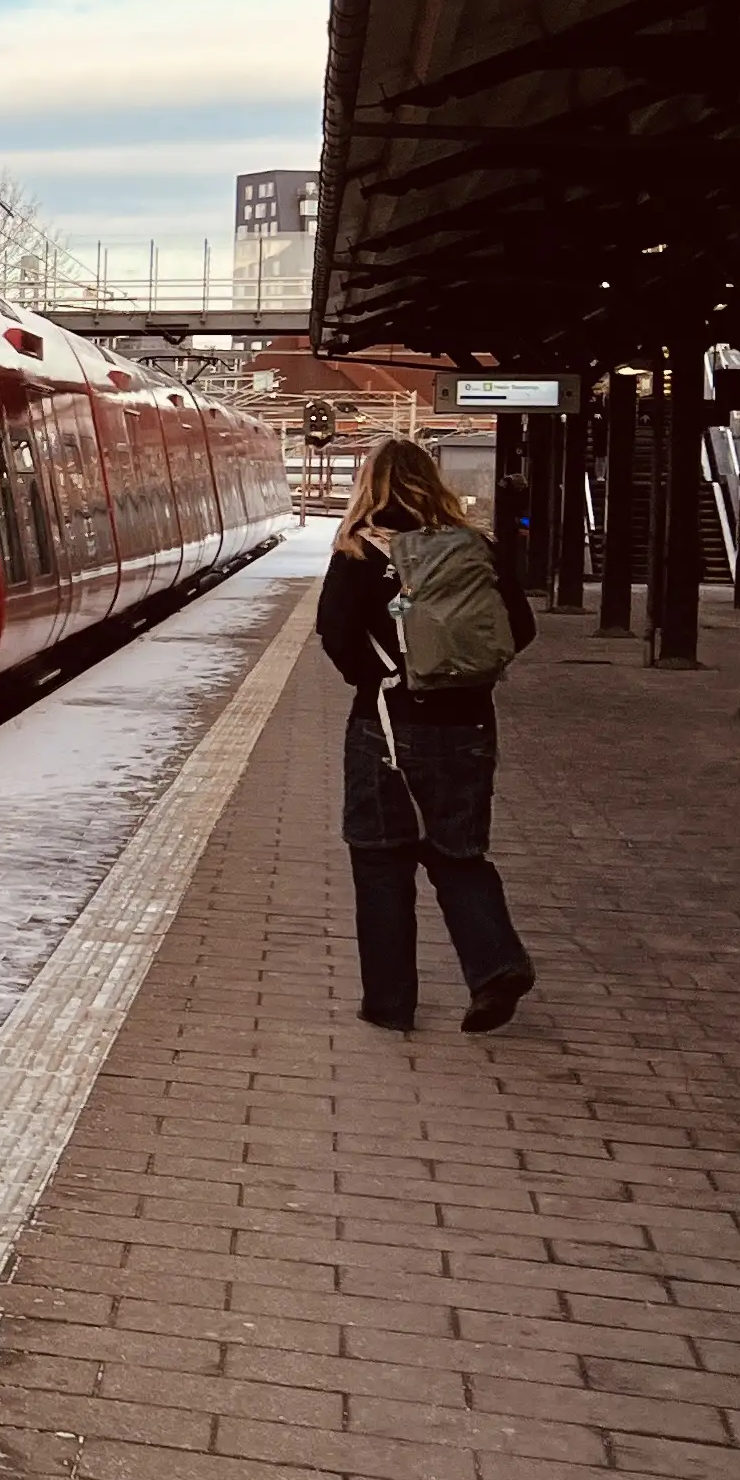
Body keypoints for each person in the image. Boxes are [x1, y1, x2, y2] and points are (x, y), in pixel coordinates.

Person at [317, 437, 537, 1033]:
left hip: (387, 727)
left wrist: (384, 679)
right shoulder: (476, 546)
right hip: (468, 725)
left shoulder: (361, 549)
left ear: (370, 483)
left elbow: (334, 632)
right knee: (458, 854)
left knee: (382, 862)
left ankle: (390, 1005)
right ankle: (496, 967)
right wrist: (467, 676)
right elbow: (521, 626)